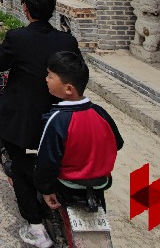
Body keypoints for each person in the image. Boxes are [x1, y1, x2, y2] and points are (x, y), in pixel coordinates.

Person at [0, 0, 80, 248]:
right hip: (59, 122)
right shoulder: (67, 41)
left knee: (19, 166)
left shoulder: (17, 38)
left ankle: (35, 227)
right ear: (52, 9)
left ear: (25, 8)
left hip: (24, 123)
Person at [35, 51, 123, 211]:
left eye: (50, 76)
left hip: (68, 183)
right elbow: (118, 143)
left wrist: (46, 189)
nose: (46, 79)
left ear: (68, 89)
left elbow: (47, 160)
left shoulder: (56, 119)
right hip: (100, 181)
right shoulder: (100, 112)